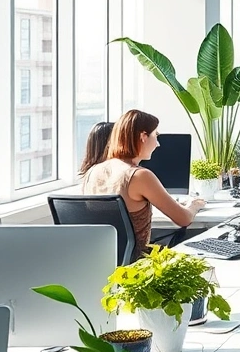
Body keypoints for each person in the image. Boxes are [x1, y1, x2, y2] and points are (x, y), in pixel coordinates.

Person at [81, 110, 205, 262]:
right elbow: (183, 219)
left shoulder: (93, 171)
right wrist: (193, 206)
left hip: (99, 262)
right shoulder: (139, 176)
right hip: (137, 266)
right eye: (156, 136)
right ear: (143, 137)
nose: (158, 144)